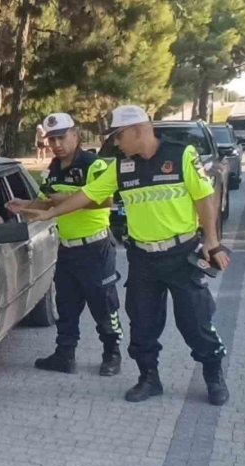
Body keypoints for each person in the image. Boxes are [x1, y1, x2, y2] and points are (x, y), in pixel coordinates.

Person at [12, 105, 231, 406]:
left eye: (119, 136)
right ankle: (149, 378)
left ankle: (214, 376)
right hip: (143, 259)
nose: (116, 143)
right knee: (141, 323)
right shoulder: (120, 167)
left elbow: (205, 196)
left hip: (181, 255)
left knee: (195, 322)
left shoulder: (182, 156)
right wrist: (47, 212)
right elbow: (86, 196)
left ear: (138, 130)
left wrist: (212, 241)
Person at [7, 113, 123, 376]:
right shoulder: (53, 168)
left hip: (95, 248)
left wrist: (66, 198)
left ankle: (112, 355)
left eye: (61, 137)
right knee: (67, 306)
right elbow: (46, 200)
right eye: (51, 139)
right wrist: (24, 206)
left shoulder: (94, 165)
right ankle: (64, 355)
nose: (56, 144)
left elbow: (106, 201)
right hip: (66, 248)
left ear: (76, 135)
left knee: (104, 306)